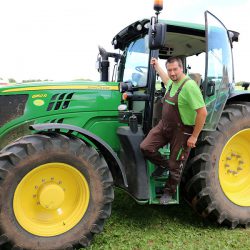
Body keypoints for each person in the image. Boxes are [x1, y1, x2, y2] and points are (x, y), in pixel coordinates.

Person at [140, 56, 207, 205]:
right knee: (146, 147)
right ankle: (164, 165)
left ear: (181, 68)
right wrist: (157, 65)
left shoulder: (189, 86)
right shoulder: (172, 83)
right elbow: (165, 79)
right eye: (169, 70)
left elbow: (202, 112)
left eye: (175, 69)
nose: (172, 73)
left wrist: (194, 137)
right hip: (165, 126)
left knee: (175, 164)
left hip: (182, 131)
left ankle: (168, 192)